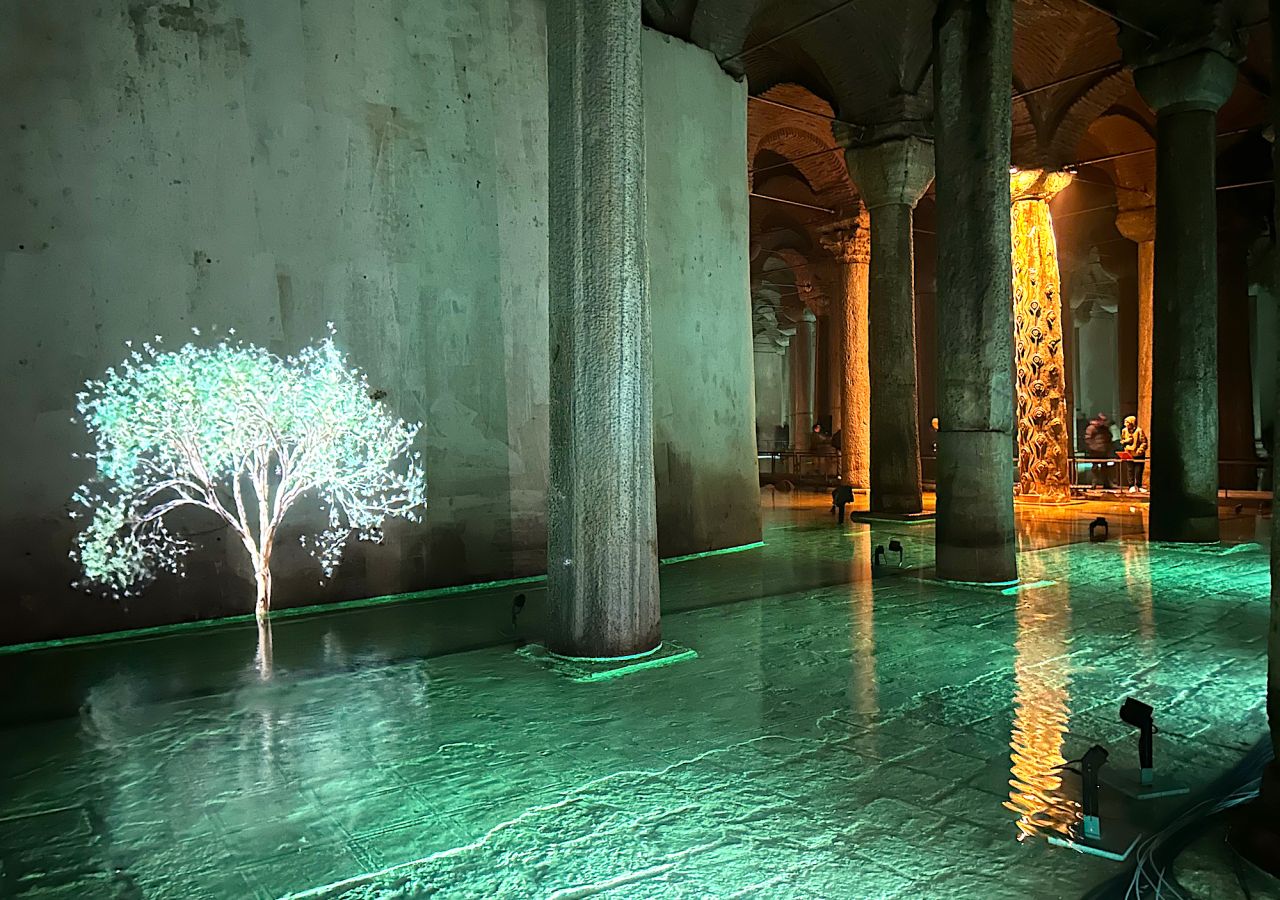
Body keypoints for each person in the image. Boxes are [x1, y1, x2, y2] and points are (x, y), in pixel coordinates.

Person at [1084, 413, 1114, 489]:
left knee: (1105, 468)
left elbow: (1109, 437)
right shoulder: (1091, 428)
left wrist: (1107, 447)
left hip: (1103, 450)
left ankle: (1106, 483)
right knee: (1095, 468)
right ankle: (1093, 484)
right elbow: (1088, 438)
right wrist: (1093, 447)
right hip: (1095, 451)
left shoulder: (1105, 428)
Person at [1121, 415, 1148, 492]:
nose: (1126, 424)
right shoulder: (1124, 431)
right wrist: (1126, 441)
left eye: (1127, 422)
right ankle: (1131, 485)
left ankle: (1139, 485)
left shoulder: (1139, 431)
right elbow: (1122, 440)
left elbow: (1144, 442)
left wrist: (1140, 450)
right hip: (1129, 453)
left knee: (1139, 470)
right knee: (1130, 470)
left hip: (1138, 454)